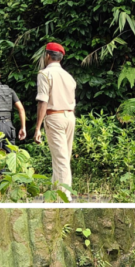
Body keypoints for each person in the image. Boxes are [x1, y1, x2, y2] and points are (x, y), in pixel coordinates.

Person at [33, 42, 77, 201]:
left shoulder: (44, 74)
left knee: (60, 159)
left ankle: (65, 197)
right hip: (70, 116)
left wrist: (38, 127)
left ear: (47, 56)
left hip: (54, 116)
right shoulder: (69, 76)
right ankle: (55, 193)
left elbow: (43, 101)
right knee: (63, 157)